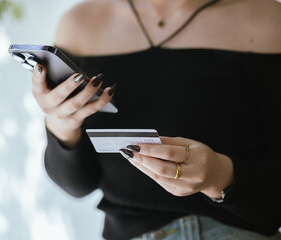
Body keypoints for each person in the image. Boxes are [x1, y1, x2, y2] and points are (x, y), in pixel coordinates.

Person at [31, 0, 281, 239]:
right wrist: (61, 124)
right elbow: (77, 186)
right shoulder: (79, 24)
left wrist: (218, 176)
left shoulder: (268, 20)